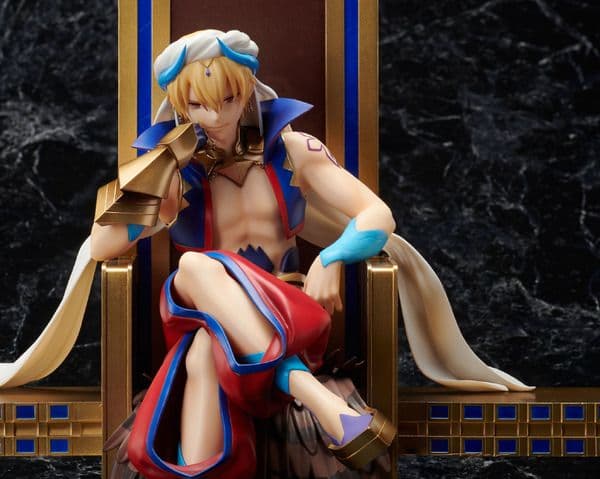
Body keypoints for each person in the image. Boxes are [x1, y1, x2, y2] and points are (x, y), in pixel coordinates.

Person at [0, 29, 533, 479]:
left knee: (203, 334)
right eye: (197, 104)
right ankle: (316, 399)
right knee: (198, 290)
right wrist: (156, 186)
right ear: (179, 105)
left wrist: (332, 258)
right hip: (202, 313)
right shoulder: (172, 170)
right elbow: (101, 246)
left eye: (228, 99)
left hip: (289, 310)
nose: (215, 114)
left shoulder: (293, 151)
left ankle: (294, 391)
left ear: (248, 90)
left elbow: (378, 215)